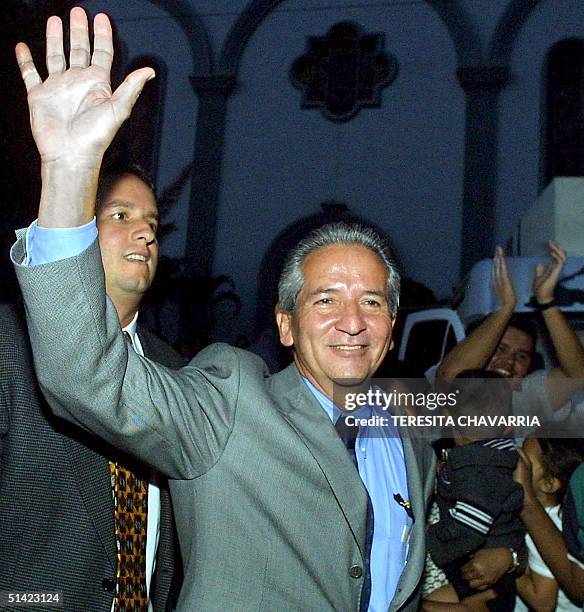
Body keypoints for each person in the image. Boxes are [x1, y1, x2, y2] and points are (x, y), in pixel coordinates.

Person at [11, 8, 435, 610]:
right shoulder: (232, 401)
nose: (352, 320)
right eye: (325, 300)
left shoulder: (407, 427)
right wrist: (70, 173)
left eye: (372, 301)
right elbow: (86, 377)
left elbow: (541, 406)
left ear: (391, 327)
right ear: (284, 325)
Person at [0, 163, 185, 611]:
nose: (145, 233)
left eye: (152, 224)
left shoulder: (173, 371)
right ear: (76, 228)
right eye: (121, 216)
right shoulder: (10, 344)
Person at [436, 243, 584, 423]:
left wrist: (546, 301)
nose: (509, 362)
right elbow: (450, 376)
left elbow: (577, 376)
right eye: (500, 349)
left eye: (522, 356)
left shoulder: (525, 401)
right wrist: (506, 307)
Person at [426, 371, 524, 611]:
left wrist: (429, 537)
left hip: (482, 580)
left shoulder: (479, 468)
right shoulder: (489, 460)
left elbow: (470, 527)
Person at [514, 429, 584, 611]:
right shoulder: (564, 514)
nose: (516, 460)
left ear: (549, 484)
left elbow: (543, 602)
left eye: (525, 462)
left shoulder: (546, 528)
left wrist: (509, 563)